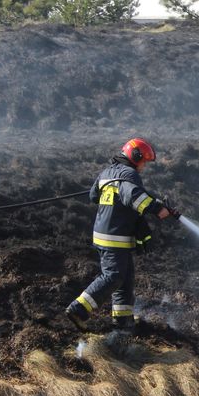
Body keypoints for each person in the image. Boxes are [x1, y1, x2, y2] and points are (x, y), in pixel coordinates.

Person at [65, 137, 179, 333]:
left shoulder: (106, 172)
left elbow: (93, 196)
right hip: (114, 236)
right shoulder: (129, 175)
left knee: (125, 279)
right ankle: (78, 309)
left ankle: (123, 320)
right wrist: (157, 209)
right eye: (144, 162)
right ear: (135, 157)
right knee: (113, 276)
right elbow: (134, 197)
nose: (144, 166)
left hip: (108, 234)